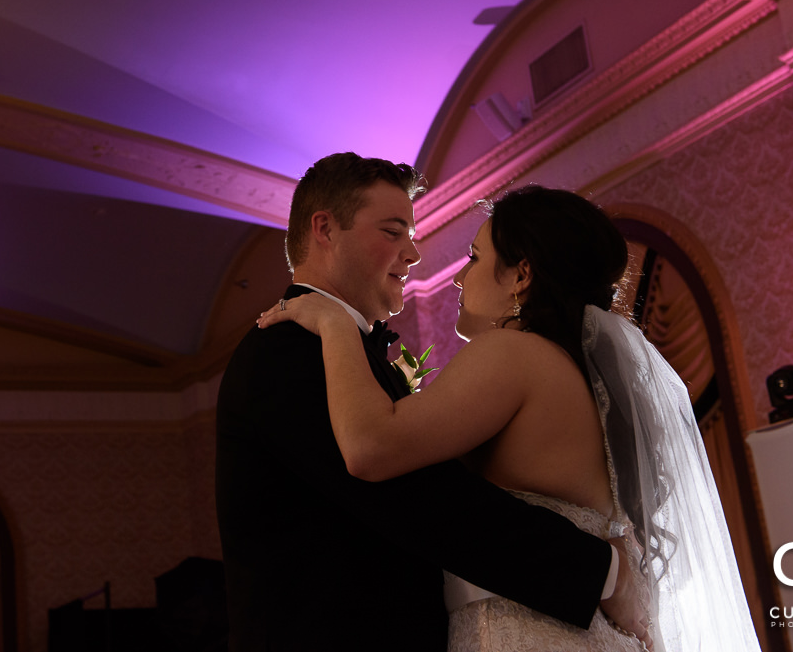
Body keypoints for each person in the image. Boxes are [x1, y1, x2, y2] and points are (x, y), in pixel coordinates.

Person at [257, 184, 761, 651]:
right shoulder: (572, 373)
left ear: (522, 275)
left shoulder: (512, 354)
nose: (457, 276)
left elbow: (370, 446)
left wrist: (333, 323)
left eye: (474, 258)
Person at [215, 154, 649, 652]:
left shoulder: (354, 353)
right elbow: (430, 503)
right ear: (325, 229)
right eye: (393, 231)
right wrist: (605, 573)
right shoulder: (288, 348)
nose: (416, 253)